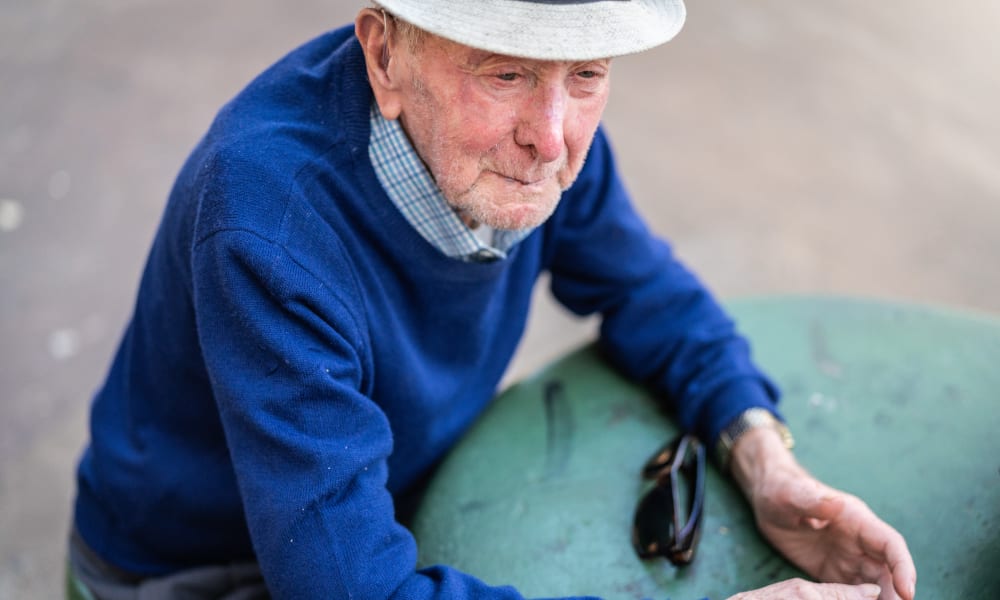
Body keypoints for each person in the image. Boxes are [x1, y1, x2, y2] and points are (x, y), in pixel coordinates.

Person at [67, 1, 917, 599]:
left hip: (377, 493)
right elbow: (349, 590)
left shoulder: (536, 143)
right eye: (505, 72)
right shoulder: (266, 225)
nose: (550, 138)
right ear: (384, 57)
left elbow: (647, 290)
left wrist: (766, 464)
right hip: (195, 565)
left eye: (586, 72)